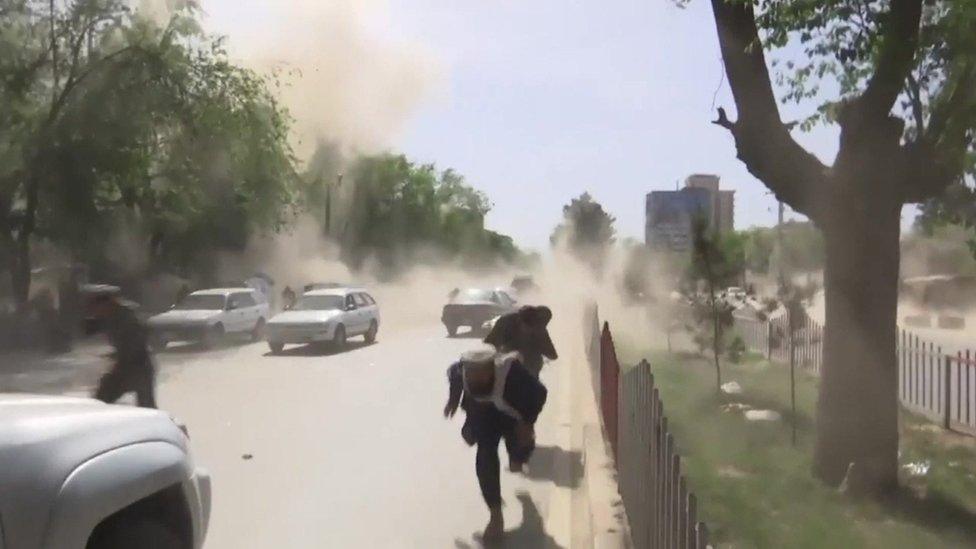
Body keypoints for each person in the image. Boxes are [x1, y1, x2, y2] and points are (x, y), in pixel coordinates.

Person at [444, 347, 548, 541]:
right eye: (471, 373)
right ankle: (495, 515)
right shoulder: (460, 372)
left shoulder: (512, 373)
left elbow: (540, 393)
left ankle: (519, 458)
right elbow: (454, 375)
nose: (477, 378)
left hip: (513, 416)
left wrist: (528, 423)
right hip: (484, 416)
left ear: (492, 368)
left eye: (482, 373)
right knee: (485, 459)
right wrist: (452, 400)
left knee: (519, 453)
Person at [91, 294, 157, 408]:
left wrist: (121, 358)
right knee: (146, 403)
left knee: (101, 399)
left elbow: (135, 342)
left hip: (136, 367)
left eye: (97, 308)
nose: (96, 312)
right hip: (134, 366)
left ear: (106, 305)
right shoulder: (113, 317)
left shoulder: (124, 319)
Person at [484, 305, 558, 377]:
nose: (531, 331)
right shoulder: (505, 323)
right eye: (529, 326)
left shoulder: (539, 330)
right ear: (520, 320)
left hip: (529, 370)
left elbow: (552, 355)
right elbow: (489, 345)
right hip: (506, 367)